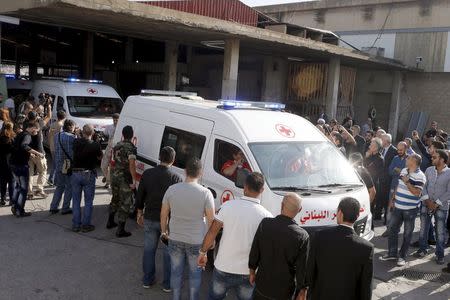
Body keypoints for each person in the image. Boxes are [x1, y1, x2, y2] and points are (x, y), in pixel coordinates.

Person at [197, 172, 273, 300]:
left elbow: (212, 232)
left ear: (245, 187)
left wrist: (202, 253)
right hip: (248, 272)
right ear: (262, 190)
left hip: (223, 267)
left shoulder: (227, 206)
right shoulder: (267, 216)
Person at [160, 158, 215, 300]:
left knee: (176, 273)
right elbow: (211, 220)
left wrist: (163, 231)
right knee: (195, 275)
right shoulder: (205, 193)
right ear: (200, 173)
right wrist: (210, 241)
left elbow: (164, 213)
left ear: (185, 171)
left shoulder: (172, 190)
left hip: (175, 238)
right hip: (196, 241)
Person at [307, 197, 374, 300]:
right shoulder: (366, 248)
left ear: (340, 213)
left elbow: (310, 273)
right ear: (357, 216)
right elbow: (365, 287)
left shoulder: (319, 237)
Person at [135, 146, 182, 291]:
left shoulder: (147, 174)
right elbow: (178, 203)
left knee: (149, 250)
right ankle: (167, 284)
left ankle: (147, 280)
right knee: (168, 253)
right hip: (167, 222)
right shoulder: (176, 178)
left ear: (159, 157)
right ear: (173, 160)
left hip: (149, 217)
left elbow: (140, 195)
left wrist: (139, 212)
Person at [248, 193, 309, 300]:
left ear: (281, 205)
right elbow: (302, 269)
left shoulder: (265, 224)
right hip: (284, 292)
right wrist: (302, 290)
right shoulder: (302, 236)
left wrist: (252, 271)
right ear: (299, 210)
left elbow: (255, 250)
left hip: (262, 286)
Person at [381, 154, 425, 266]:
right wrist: (392, 200)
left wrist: (407, 182)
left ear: (414, 161)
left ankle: (402, 257)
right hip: (397, 207)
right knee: (392, 229)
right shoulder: (404, 170)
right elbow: (398, 186)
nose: (406, 159)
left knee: (407, 234)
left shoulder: (421, 176)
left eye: (408, 158)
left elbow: (417, 193)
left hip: (410, 210)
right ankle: (392, 253)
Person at [415, 150, 450, 265]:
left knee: (440, 232)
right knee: (423, 229)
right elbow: (423, 185)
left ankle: (439, 255)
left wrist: (435, 204)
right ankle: (422, 250)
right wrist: (427, 200)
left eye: (434, 157)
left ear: (442, 160)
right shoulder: (429, 170)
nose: (431, 159)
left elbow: (449, 192)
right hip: (426, 204)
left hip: (441, 207)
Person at [71, 124, 103, 233]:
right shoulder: (95, 145)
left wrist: (79, 133)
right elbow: (100, 157)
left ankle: (76, 225)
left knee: (76, 200)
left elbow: (78, 140)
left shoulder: (76, 142)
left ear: (82, 132)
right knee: (88, 201)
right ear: (93, 133)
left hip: (75, 173)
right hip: (88, 173)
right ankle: (86, 225)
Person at [108, 125, 138, 238]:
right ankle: (120, 230)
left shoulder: (117, 145)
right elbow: (131, 164)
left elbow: (114, 160)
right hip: (124, 177)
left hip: (115, 175)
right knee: (126, 202)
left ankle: (110, 221)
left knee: (115, 198)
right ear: (132, 135)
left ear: (123, 134)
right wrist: (134, 180)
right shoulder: (130, 147)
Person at [9, 122, 42, 217]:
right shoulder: (27, 136)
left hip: (13, 163)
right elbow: (24, 146)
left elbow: (19, 147)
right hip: (20, 165)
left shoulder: (21, 133)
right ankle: (20, 211)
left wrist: (29, 154)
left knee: (18, 186)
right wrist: (38, 153)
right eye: (36, 131)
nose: (36, 133)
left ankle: (14, 206)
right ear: (32, 128)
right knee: (23, 189)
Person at [49, 119, 76, 215]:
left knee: (59, 186)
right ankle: (65, 208)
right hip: (68, 165)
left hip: (59, 164)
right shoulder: (72, 137)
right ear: (71, 127)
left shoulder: (57, 136)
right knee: (69, 187)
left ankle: (53, 206)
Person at [26, 106, 51, 198]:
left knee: (30, 173)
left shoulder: (25, 125)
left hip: (28, 152)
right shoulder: (39, 124)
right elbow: (49, 116)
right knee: (42, 171)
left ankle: (29, 192)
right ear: (36, 117)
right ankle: (40, 189)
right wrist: (48, 107)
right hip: (39, 152)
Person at [378, 133, 397, 223]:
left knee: (387, 201)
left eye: (382, 139)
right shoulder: (381, 149)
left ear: (386, 141)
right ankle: (379, 216)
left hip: (388, 180)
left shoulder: (394, 151)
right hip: (381, 179)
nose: (380, 140)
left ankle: (387, 220)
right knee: (381, 198)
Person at [364, 137, 384, 219]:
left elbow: (375, 174)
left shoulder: (380, 159)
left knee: (370, 208)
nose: (369, 147)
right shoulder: (369, 155)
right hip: (365, 184)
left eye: (371, 145)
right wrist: (366, 157)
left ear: (376, 147)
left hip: (372, 186)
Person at [47, 110, 66, 185]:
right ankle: (52, 179)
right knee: (57, 164)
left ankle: (52, 179)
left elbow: (49, 135)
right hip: (58, 147)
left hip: (52, 146)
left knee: (55, 163)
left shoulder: (53, 124)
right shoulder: (62, 126)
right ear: (64, 117)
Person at [101, 113, 119, 189]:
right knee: (103, 165)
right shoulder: (109, 127)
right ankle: (106, 176)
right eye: (114, 120)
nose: (115, 121)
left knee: (112, 166)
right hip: (109, 146)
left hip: (117, 148)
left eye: (116, 120)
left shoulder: (121, 127)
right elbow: (105, 135)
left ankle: (108, 182)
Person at [0, 122, 16, 205]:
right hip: (11, 163)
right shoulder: (12, 138)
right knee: (11, 182)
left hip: (1, 163)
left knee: (2, 182)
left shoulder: (0, 137)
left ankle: (2, 199)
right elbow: (15, 150)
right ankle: (11, 200)